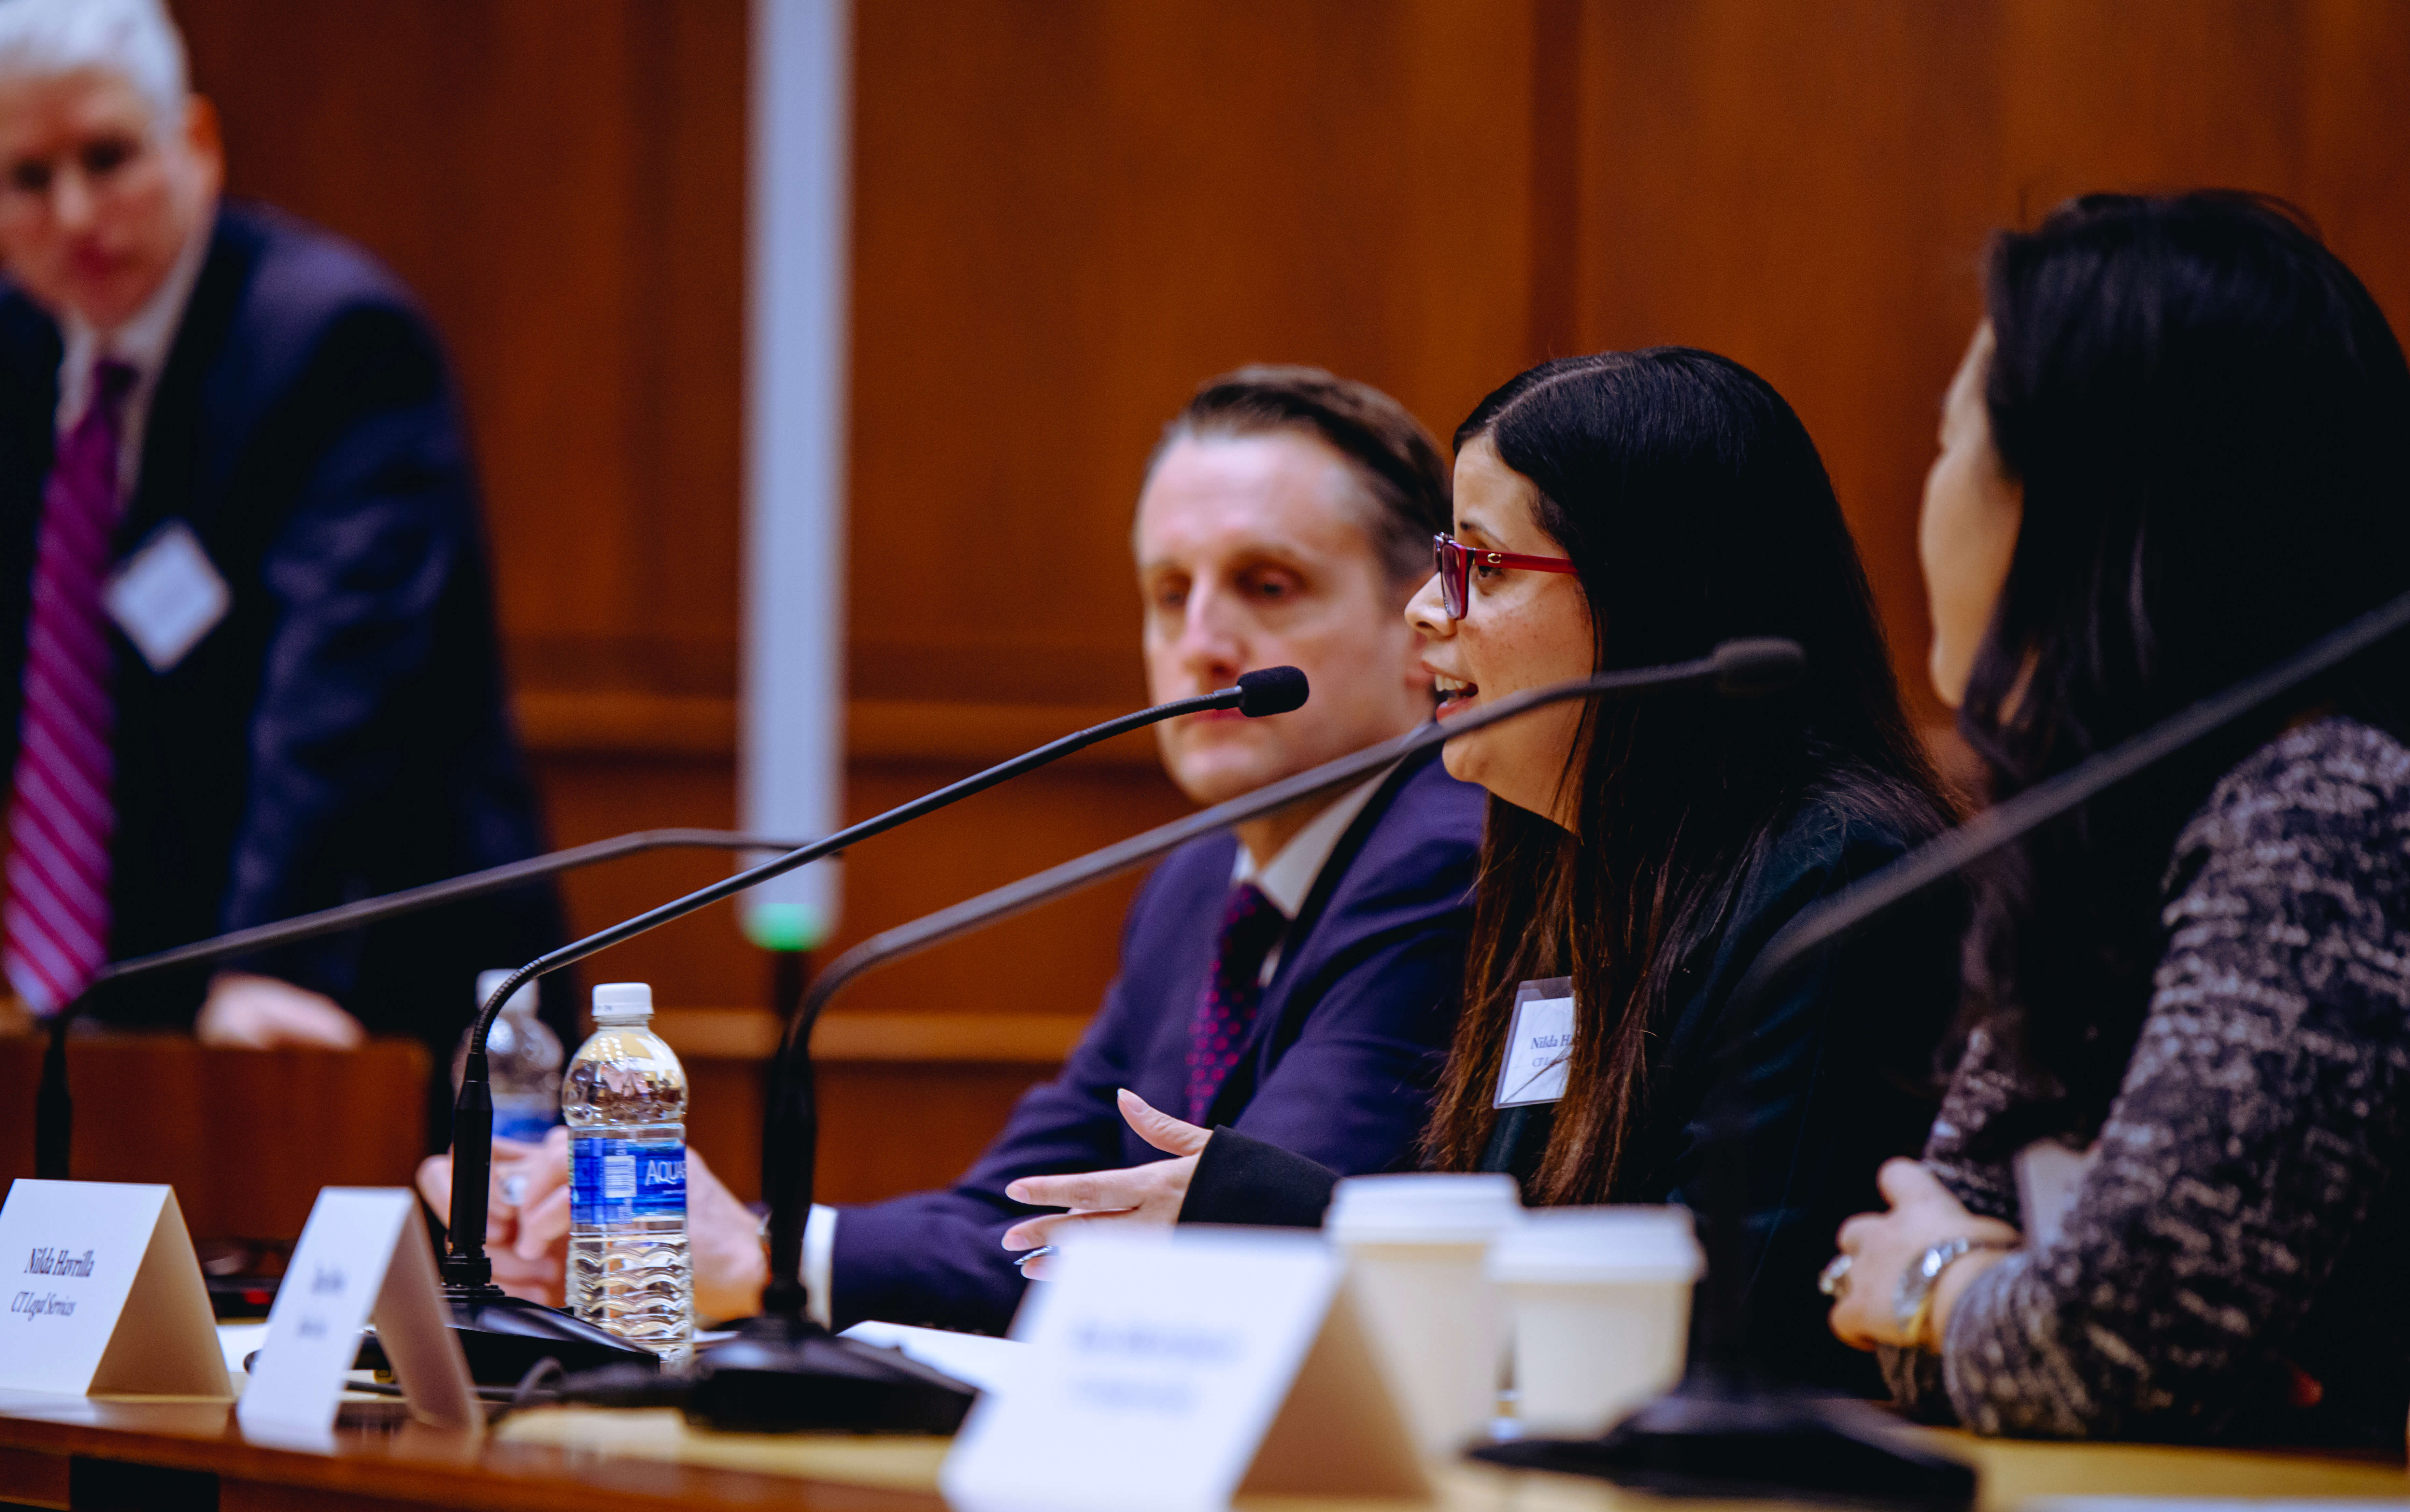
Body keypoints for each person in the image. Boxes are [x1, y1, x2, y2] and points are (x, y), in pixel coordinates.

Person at [420, 366, 1488, 1332]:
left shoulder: (1443, 857)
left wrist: (766, 1256)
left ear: (1418, 632)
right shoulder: (1198, 883)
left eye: (1267, 585)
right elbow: (1017, 1210)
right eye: (1170, 593)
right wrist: (725, 1244)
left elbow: (1224, 1241)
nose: (1199, 641)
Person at [1004, 348, 1962, 1390]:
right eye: (1441, 557)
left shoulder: (1838, 878)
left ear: (1652, 598)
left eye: (1485, 567)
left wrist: (1276, 1203)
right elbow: (1519, 1247)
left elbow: (1727, 1326)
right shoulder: (1563, 867)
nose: (1428, 608)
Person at [0, 0, 560, 1064]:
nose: (73, 212)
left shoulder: (334, 344)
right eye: (28, 179)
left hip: (376, 995)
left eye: (107, 158)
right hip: (145, 1000)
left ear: (195, 143)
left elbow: (339, 689)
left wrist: (270, 958)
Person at [1825, 192, 2410, 1445]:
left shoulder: (2328, 810)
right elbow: (1901, 1318)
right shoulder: (2101, 826)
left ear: (2079, 499)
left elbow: (2107, 1345)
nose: (1927, 495)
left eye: (1950, 443)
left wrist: (1957, 1291)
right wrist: (1987, 1309)